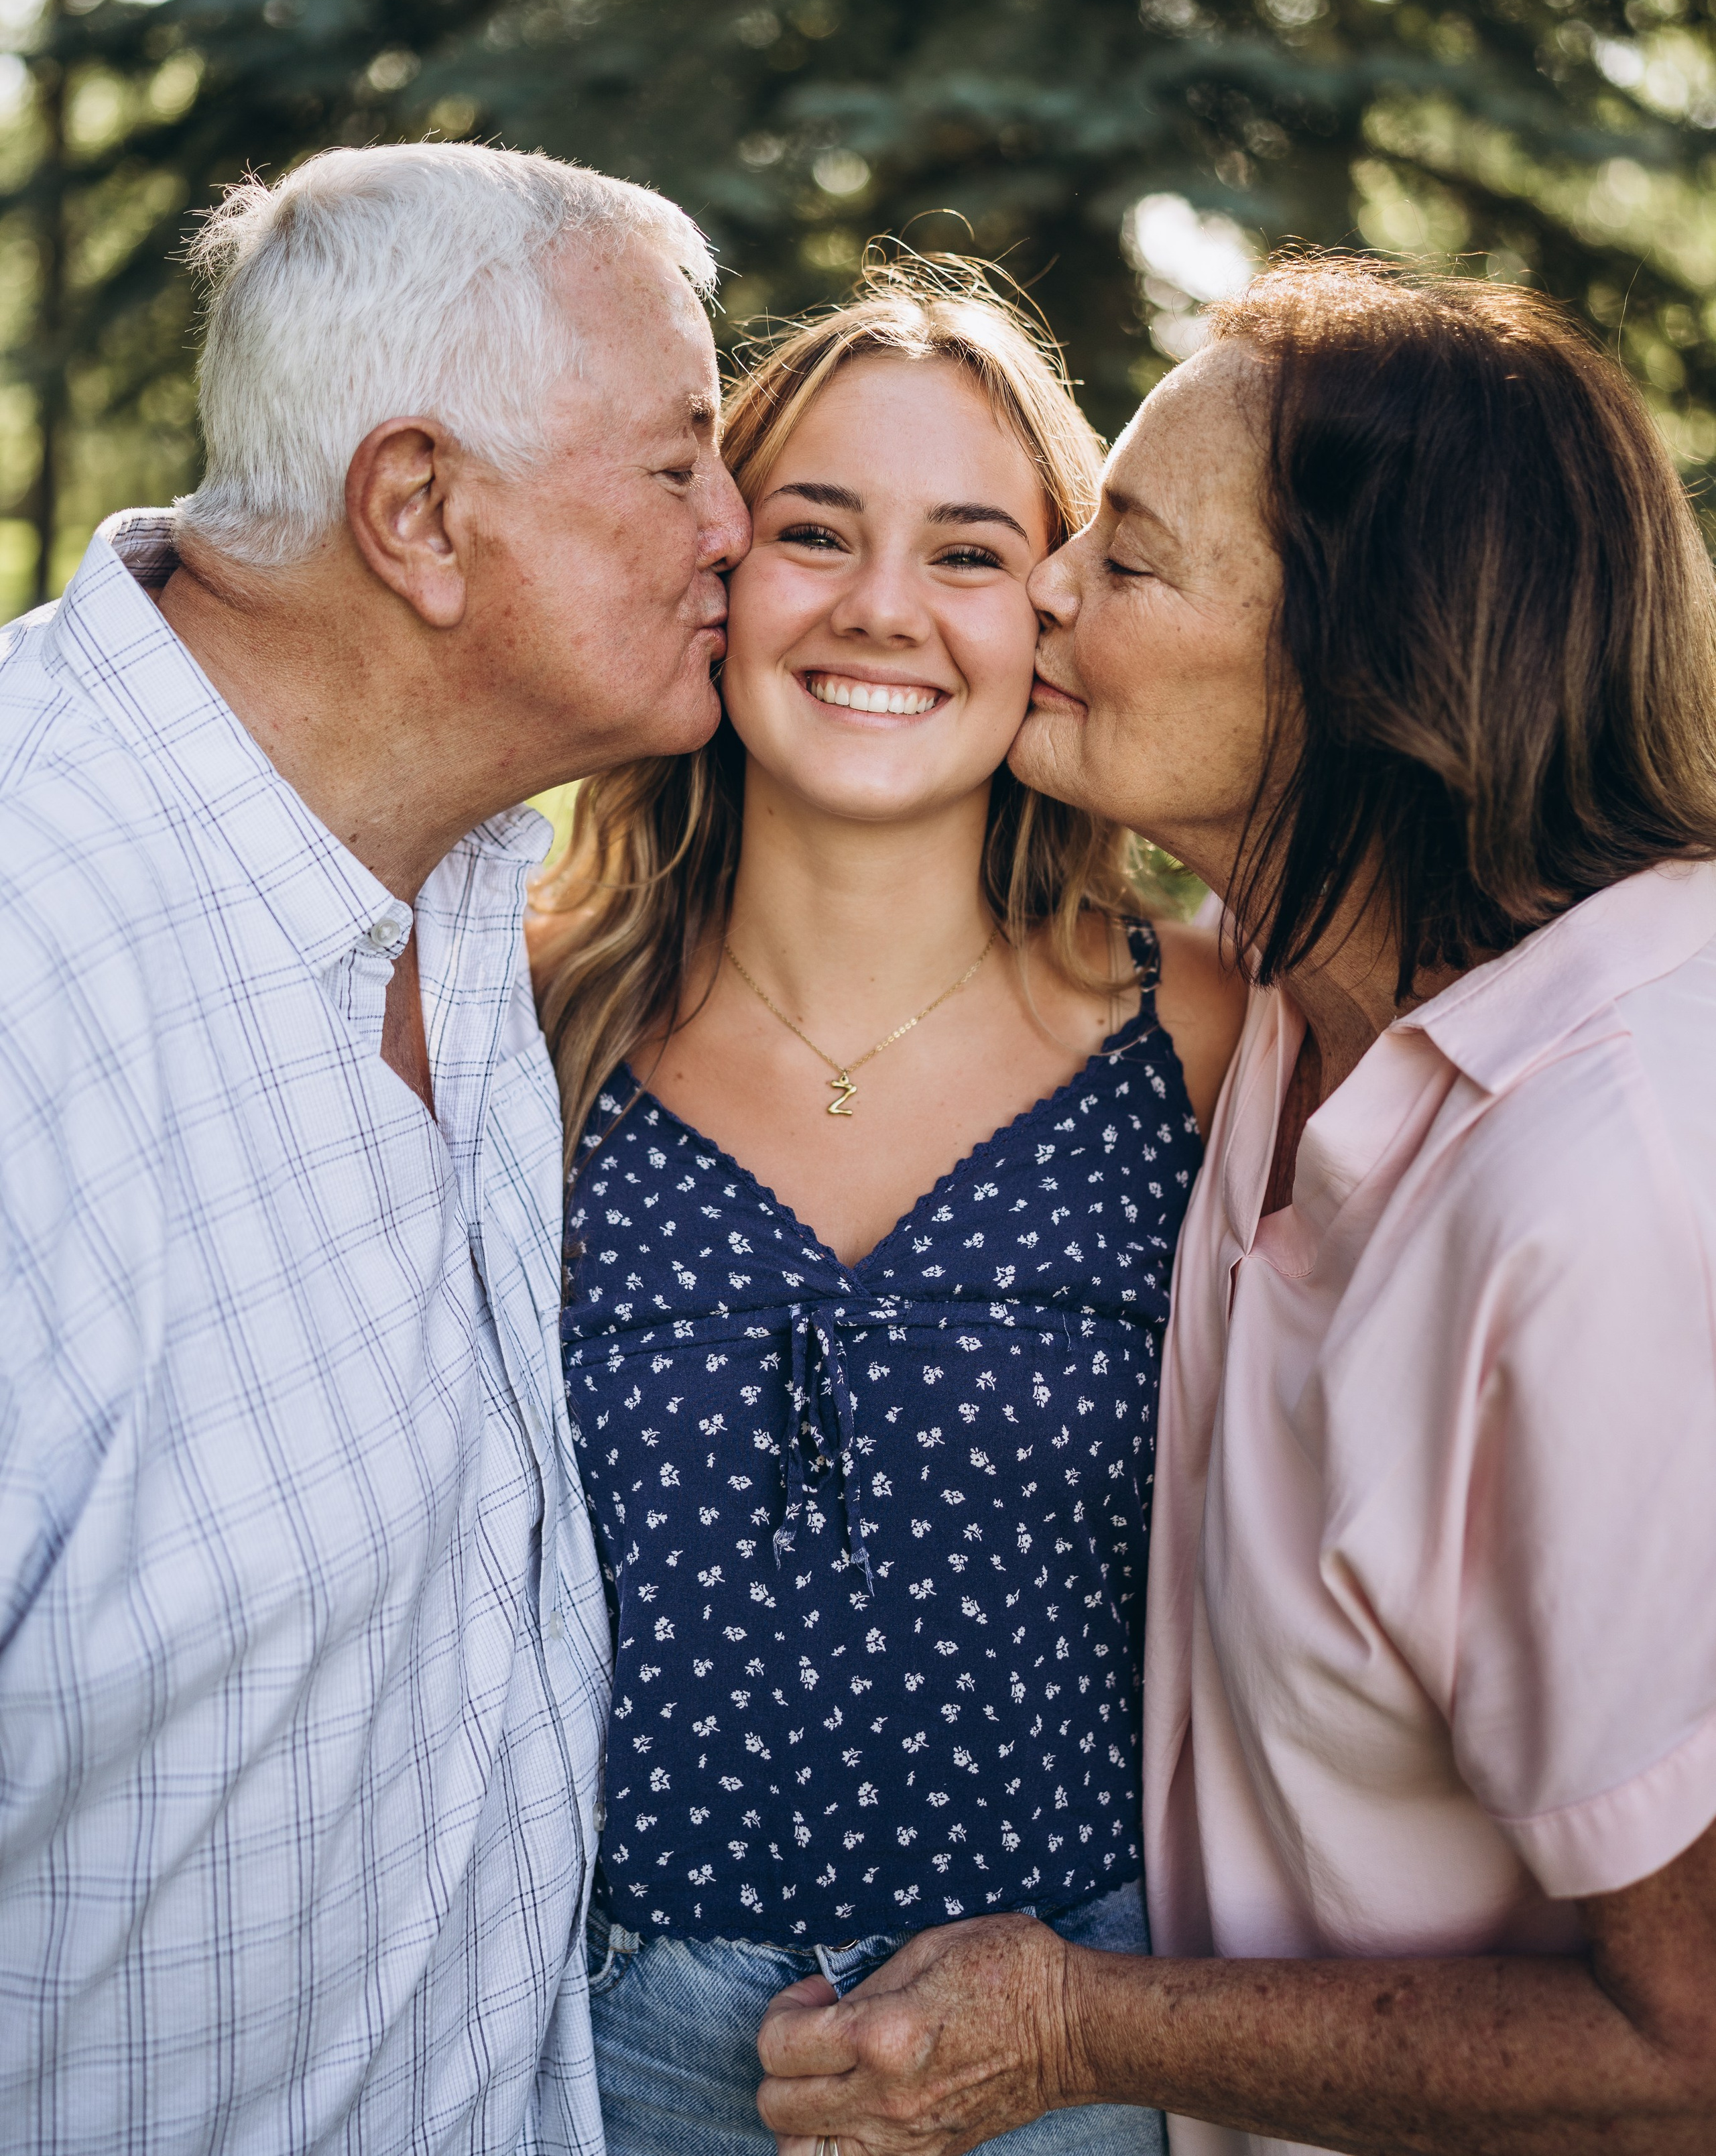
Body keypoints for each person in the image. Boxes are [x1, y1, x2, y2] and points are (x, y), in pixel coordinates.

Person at [755, 255, 1716, 2156]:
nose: (1039, 590)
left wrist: (1080, 2028)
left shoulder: (1615, 1193)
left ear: (1359, 665)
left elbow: (1691, 2051)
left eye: (1124, 560)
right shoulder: (1284, 1007)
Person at [0, 141, 749, 2154]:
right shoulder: (34, 956)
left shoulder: (456, 870)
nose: (738, 530)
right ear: (419, 511)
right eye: (679, 466)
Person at [527, 259, 1247, 2156]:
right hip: (598, 2044)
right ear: (720, 568)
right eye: (818, 533)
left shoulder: (1208, 1035)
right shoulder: (535, 1030)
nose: (878, 612)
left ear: (1057, 608)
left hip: (1077, 2045)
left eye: (969, 552)